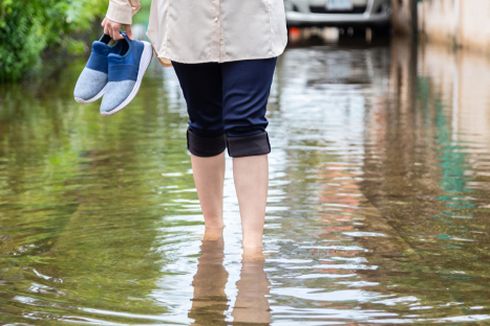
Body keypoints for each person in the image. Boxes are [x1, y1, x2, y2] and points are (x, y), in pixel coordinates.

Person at [102, 0, 288, 257]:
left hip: (251, 16)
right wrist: (120, 7)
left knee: (247, 124)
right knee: (204, 122)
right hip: (186, 18)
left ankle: (253, 247)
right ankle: (213, 230)